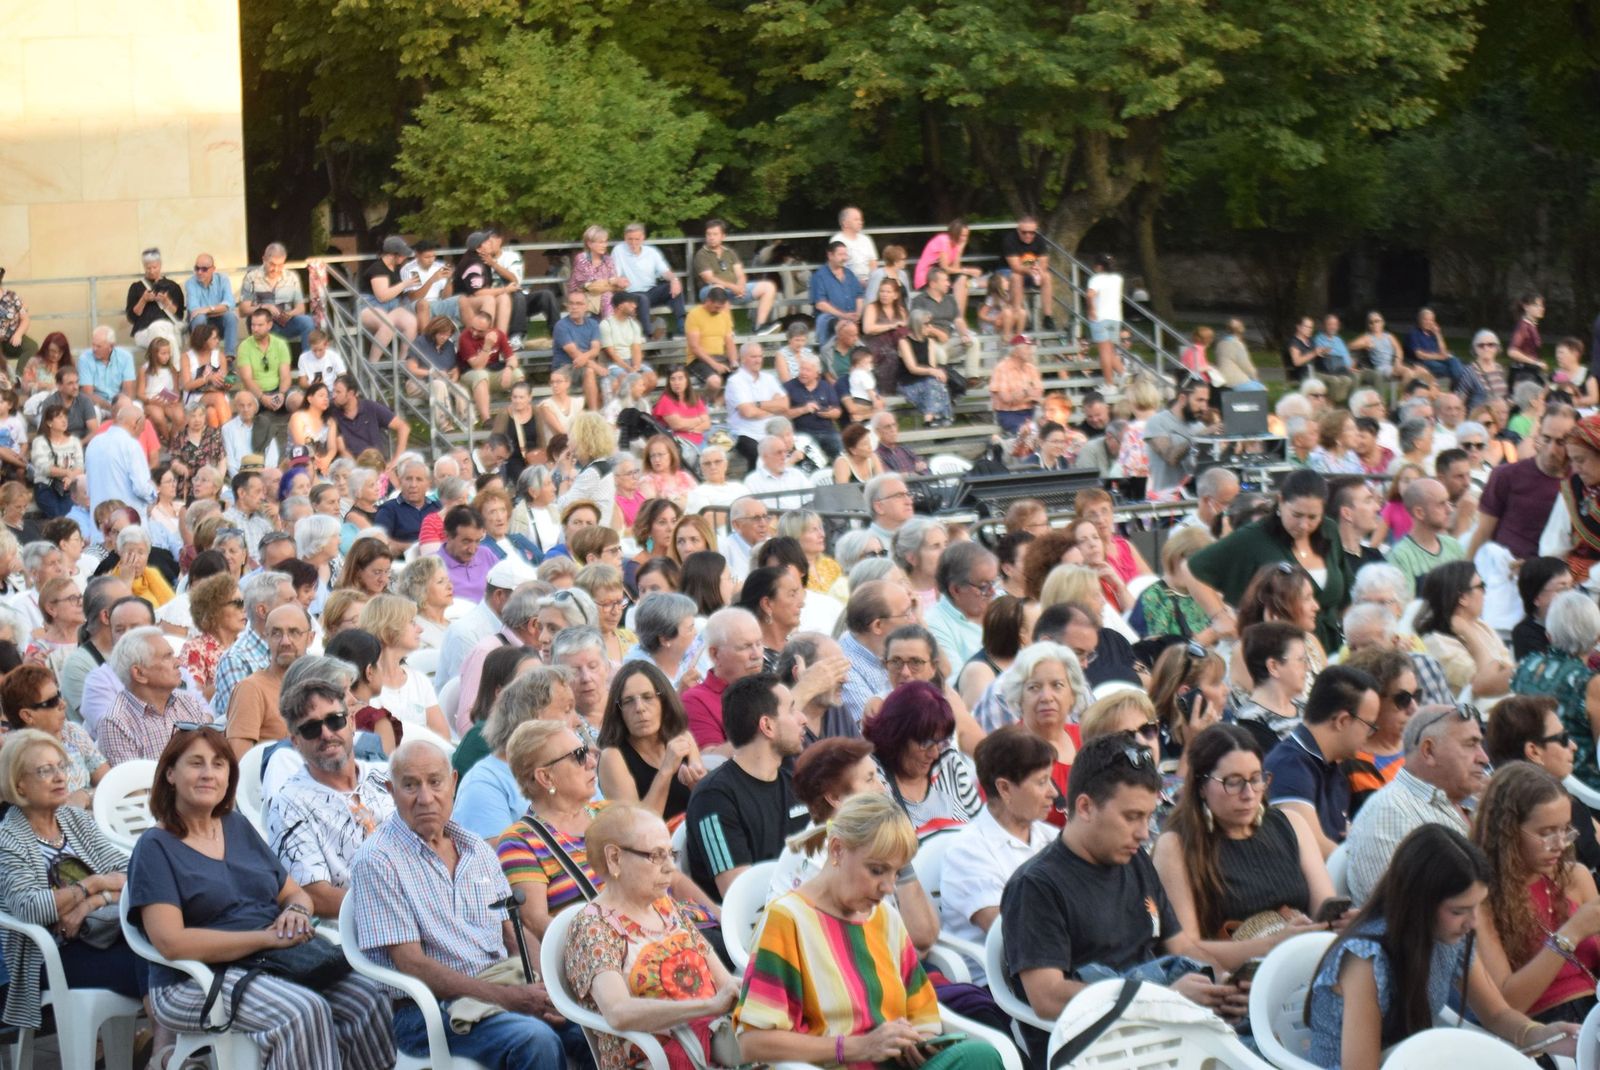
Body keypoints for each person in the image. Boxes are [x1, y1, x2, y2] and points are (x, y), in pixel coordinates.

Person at [127, 725, 395, 1070]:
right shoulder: (155, 847)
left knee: (368, 997)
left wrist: (296, 911)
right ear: (170, 774)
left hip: (272, 962)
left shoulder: (235, 826)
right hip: (193, 980)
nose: (209, 773)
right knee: (303, 1012)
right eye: (196, 763)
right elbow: (171, 943)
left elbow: (294, 892)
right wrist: (266, 938)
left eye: (219, 764)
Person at [348, 738, 589, 1069]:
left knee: (592, 1026)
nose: (425, 798)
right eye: (410, 785)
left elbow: (512, 932)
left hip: (505, 984)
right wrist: (509, 999)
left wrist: (545, 988)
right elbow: (413, 965)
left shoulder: (475, 847)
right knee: (535, 1040)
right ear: (391, 790)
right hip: (430, 1011)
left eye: (435, 782)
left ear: (453, 783)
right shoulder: (378, 860)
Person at [1000, 734, 1242, 1056]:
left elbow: (1181, 946)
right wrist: (1164, 999)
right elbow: (1047, 997)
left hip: (1166, 1034)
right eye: (1131, 817)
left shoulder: (1135, 859)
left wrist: (1223, 983)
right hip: (1096, 1049)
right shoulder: (1036, 886)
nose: (1144, 833)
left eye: (1147, 816)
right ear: (1085, 807)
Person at [736, 792, 999, 1069]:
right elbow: (754, 1043)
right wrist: (857, 1047)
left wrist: (920, 1040)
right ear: (837, 850)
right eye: (877, 871)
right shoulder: (787, 919)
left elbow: (920, 1007)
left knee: (980, 1055)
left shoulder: (885, 917)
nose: (888, 887)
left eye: (896, 874)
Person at [1306, 825, 1577, 1069]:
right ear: (1419, 904)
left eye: (1476, 908)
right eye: (1459, 911)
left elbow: (1496, 1013)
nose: (1471, 923)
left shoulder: (1448, 937)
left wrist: (1542, 1034)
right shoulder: (1366, 959)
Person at [564, 804, 740, 1070]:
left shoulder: (666, 908)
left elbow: (725, 983)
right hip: (654, 1060)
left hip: (711, 1046)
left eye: (671, 854)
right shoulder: (594, 926)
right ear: (614, 858)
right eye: (657, 856)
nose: (670, 868)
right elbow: (619, 1012)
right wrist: (708, 1007)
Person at [1153, 723, 1339, 974]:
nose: (1249, 793)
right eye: (1233, 782)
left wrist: (1343, 919)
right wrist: (1271, 945)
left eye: (1256, 779)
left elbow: (1324, 908)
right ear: (1201, 787)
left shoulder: (1291, 823)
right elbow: (1185, 950)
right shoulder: (1176, 846)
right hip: (1232, 980)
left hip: (1304, 965)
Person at [0, 728, 142, 1035]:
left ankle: (162, 1048)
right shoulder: (9, 839)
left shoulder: (74, 819)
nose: (60, 777)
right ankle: (165, 1050)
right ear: (19, 783)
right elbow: (33, 909)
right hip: (50, 955)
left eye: (61, 767)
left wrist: (94, 899)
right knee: (152, 965)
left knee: (159, 951)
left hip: (103, 933)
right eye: (45, 770)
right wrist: (93, 884)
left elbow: (134, 874)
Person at [1469, 763, 1600, 1023]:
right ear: (1506, 831)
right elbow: (1509, 1004)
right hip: (1547, 1027)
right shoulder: (1480, 900)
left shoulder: (1575, 877)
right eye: (1546, 833)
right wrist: (1570, 934)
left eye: (1565, 830)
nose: (1560, 844)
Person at [263, 671, 395, 917]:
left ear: (352, 723)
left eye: (335, 720)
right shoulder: (289, 804)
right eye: (311, 728)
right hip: (356, 929)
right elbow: (316, 895)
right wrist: (397, 910)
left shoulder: (387, 776)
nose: (326, 734)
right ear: (295, 742)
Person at [1189, 468, 1352, 653]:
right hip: (1276, 651)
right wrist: (1219, 617)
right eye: (1296, 515)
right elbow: (1193, 569)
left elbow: (1346, 595)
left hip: (1329, 648)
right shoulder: (1254, 537)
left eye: (1313, 517)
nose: (1304, 525)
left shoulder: (1329, 530)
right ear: (1281, 502)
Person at [1345, 704, 1489, 904]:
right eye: (1470, 744)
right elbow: (1402, 918)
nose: (1484, 758)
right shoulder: (1390, 813)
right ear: (1428, 751)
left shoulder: (1473, 802)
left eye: (1480, 745)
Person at [684, 672, 809, 899]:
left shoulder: (795, 784)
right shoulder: (714, 797)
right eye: (791, 710)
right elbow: (739, 893)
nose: (803, 719)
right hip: (745, 927)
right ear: (767, 726)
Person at [1485, 694, 1600, 878]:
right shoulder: (1562, 809)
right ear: (1534, 751)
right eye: (1563, 738)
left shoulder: (1491, 808)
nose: (1573, 746)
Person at [861, 681, 980, 834]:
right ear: (897, 736)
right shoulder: (873, 777)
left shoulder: (947, 760)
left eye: (941, 742)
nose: (935, 753)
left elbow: (979, 826)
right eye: (926, 743)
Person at [596, 661, 706, 822]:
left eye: (648, 697)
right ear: (618, 710)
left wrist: (699, 787)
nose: (639, 708)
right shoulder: (612, 757)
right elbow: (637, 827)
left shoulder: (682, 739)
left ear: (664, 701)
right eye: (628, 701)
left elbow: (704, 806)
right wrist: (666, 771)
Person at [97, 625, 213, 765]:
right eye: (167, 657)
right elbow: (132, 785)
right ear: (139, 674)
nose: (178, 663)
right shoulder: (116, 723)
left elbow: (212, 757)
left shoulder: (188, 702)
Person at [0, 664, 106, 806]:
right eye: (52, 701)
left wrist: (86, 795)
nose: (63, 704)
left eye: (59, 695)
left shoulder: (73, 732)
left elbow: (109, 782)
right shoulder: (11, 753)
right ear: (27, 715)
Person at [1413, 559, 1513, 699]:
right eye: (1481, 586)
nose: (1485, 592)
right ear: (1462, 598)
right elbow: (1483, 684)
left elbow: (1509, 671)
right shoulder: (1436, 642)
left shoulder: (1482, 626)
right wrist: (1469, 634)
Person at [1337, 647, 1418, 817]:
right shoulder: (1355, 764)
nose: (1414, 708)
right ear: (1371, 701)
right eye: (1403, 699)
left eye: (1416, 695)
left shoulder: (1422, 744)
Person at [358, 593, 449, 740]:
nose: (420, 629)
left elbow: (443, 738)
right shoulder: (362, 684)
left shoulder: (419, 680)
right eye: (412, 622)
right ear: (388, 629)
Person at [692, 219, 778, 332]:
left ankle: (759, 327)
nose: (711, 237)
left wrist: (741, 287)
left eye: (715, 234)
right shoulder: (701, 254)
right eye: (709, 234)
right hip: (710, 291)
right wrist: (733, 287)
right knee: (720, 292)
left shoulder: (730, 253)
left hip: (734, 290)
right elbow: (709, 278)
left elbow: (740, 274)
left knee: (769, 287)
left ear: (723, 236)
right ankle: (730, 331)